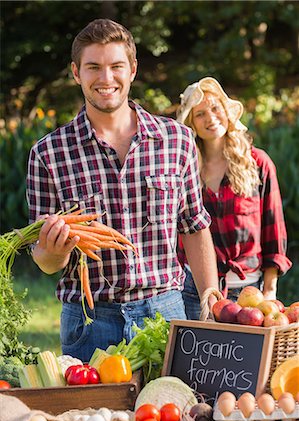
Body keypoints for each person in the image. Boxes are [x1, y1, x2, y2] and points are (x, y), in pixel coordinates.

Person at [26, 19, 219, 362]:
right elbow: (44, 259)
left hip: (166, 312)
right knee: (90, 417)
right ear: (76, 72)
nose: (105, 78)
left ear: (132, 70)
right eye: (93, 67)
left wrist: (210, 297)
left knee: (176, 414)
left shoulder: (176, 140)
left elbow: (194, 225)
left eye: (116, 66)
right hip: (89, 321)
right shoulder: (49, 154)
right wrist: (54, 251)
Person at [176, 77, 292, 320]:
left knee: (247, 358)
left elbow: (274, 229)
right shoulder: (185, 169)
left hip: (248, 292)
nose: (210, 118)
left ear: (226, 111)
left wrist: (270, 289)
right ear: (191, 123)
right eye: (200, 114)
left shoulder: (257, 163)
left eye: (215, 108)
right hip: (195, 290)